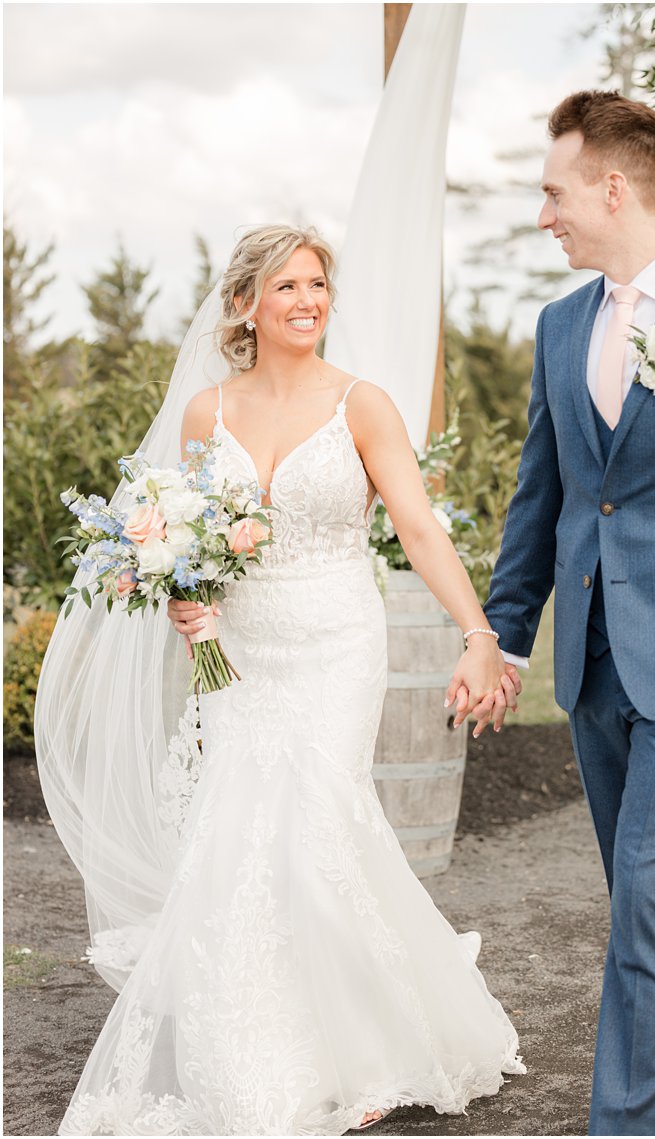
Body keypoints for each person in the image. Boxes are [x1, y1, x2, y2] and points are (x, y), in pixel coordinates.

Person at [40, 224, 525, 1135]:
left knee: (314, 821)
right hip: (241, 649)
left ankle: (371, 1046)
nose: (308, 301)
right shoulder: (205, 413)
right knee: (237, 829)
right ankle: (261, 1046)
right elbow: (191, 542)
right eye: (288, 287)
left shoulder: (363, 404)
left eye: (318, 285)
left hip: (338, 635)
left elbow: (418, 527)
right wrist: (187, 600)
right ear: (244, 305)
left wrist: (477, 632)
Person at [482, 91, 655, 1136]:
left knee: (644, 890)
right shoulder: (559, 325)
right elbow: (542, 496)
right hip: (593, 664)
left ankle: (628, 1123)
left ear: (612, 185)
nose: (543, 214)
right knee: (646, 897)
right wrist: (504, 637)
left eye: (553, 193)